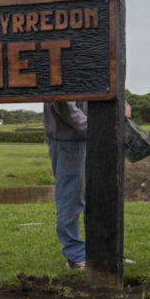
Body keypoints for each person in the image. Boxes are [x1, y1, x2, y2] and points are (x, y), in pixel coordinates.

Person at [43, 101, 88, 270]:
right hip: (68, 140)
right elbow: (63, 104)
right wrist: (98, 127)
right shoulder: (58, 74)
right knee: (70, 197)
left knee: (97, 193)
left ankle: (100, 252)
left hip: (86, 137)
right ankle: (75, 256)